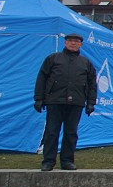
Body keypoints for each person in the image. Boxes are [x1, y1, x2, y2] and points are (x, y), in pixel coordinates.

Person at [34, 32, 96, 171]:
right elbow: (41, 79)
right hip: (55, 100)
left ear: (80, 44)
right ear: (65, 42)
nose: (73, 43)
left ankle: (67, 160)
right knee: (51, 132)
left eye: (76, 41)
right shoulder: (53, 59)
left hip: (76, 102)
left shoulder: (85, 62)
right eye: (70, 41)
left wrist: (91, 102)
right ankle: (48, 161)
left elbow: (92, 84)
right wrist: (39, 98)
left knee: (71, 132)